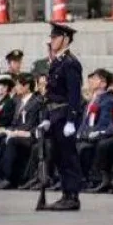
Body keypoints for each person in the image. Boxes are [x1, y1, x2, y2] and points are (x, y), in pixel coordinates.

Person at [36, 22, 84, 211]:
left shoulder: (71, 63)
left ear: (65, 39)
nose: (52, 41)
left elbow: (74, 95)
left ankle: (72, 196)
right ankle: (65, 193)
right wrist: (47, 118)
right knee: (59, 156)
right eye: (52, 37)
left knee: (68, 156)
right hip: (55, 116)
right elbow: (51, 93)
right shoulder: (57, 62)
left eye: (55, 37)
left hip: (65, 116)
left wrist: (71, 120)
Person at [0, 73, 43, 189]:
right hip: (17, 133)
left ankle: (7, 178)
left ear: (26, 86)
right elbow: (14, 123)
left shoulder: (36, 102)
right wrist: (5, 130)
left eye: (18, 85)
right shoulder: (18, 101)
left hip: (29, 135)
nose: (16, 88)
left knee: (12, 141)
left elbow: (34, 123)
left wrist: (19, 132)